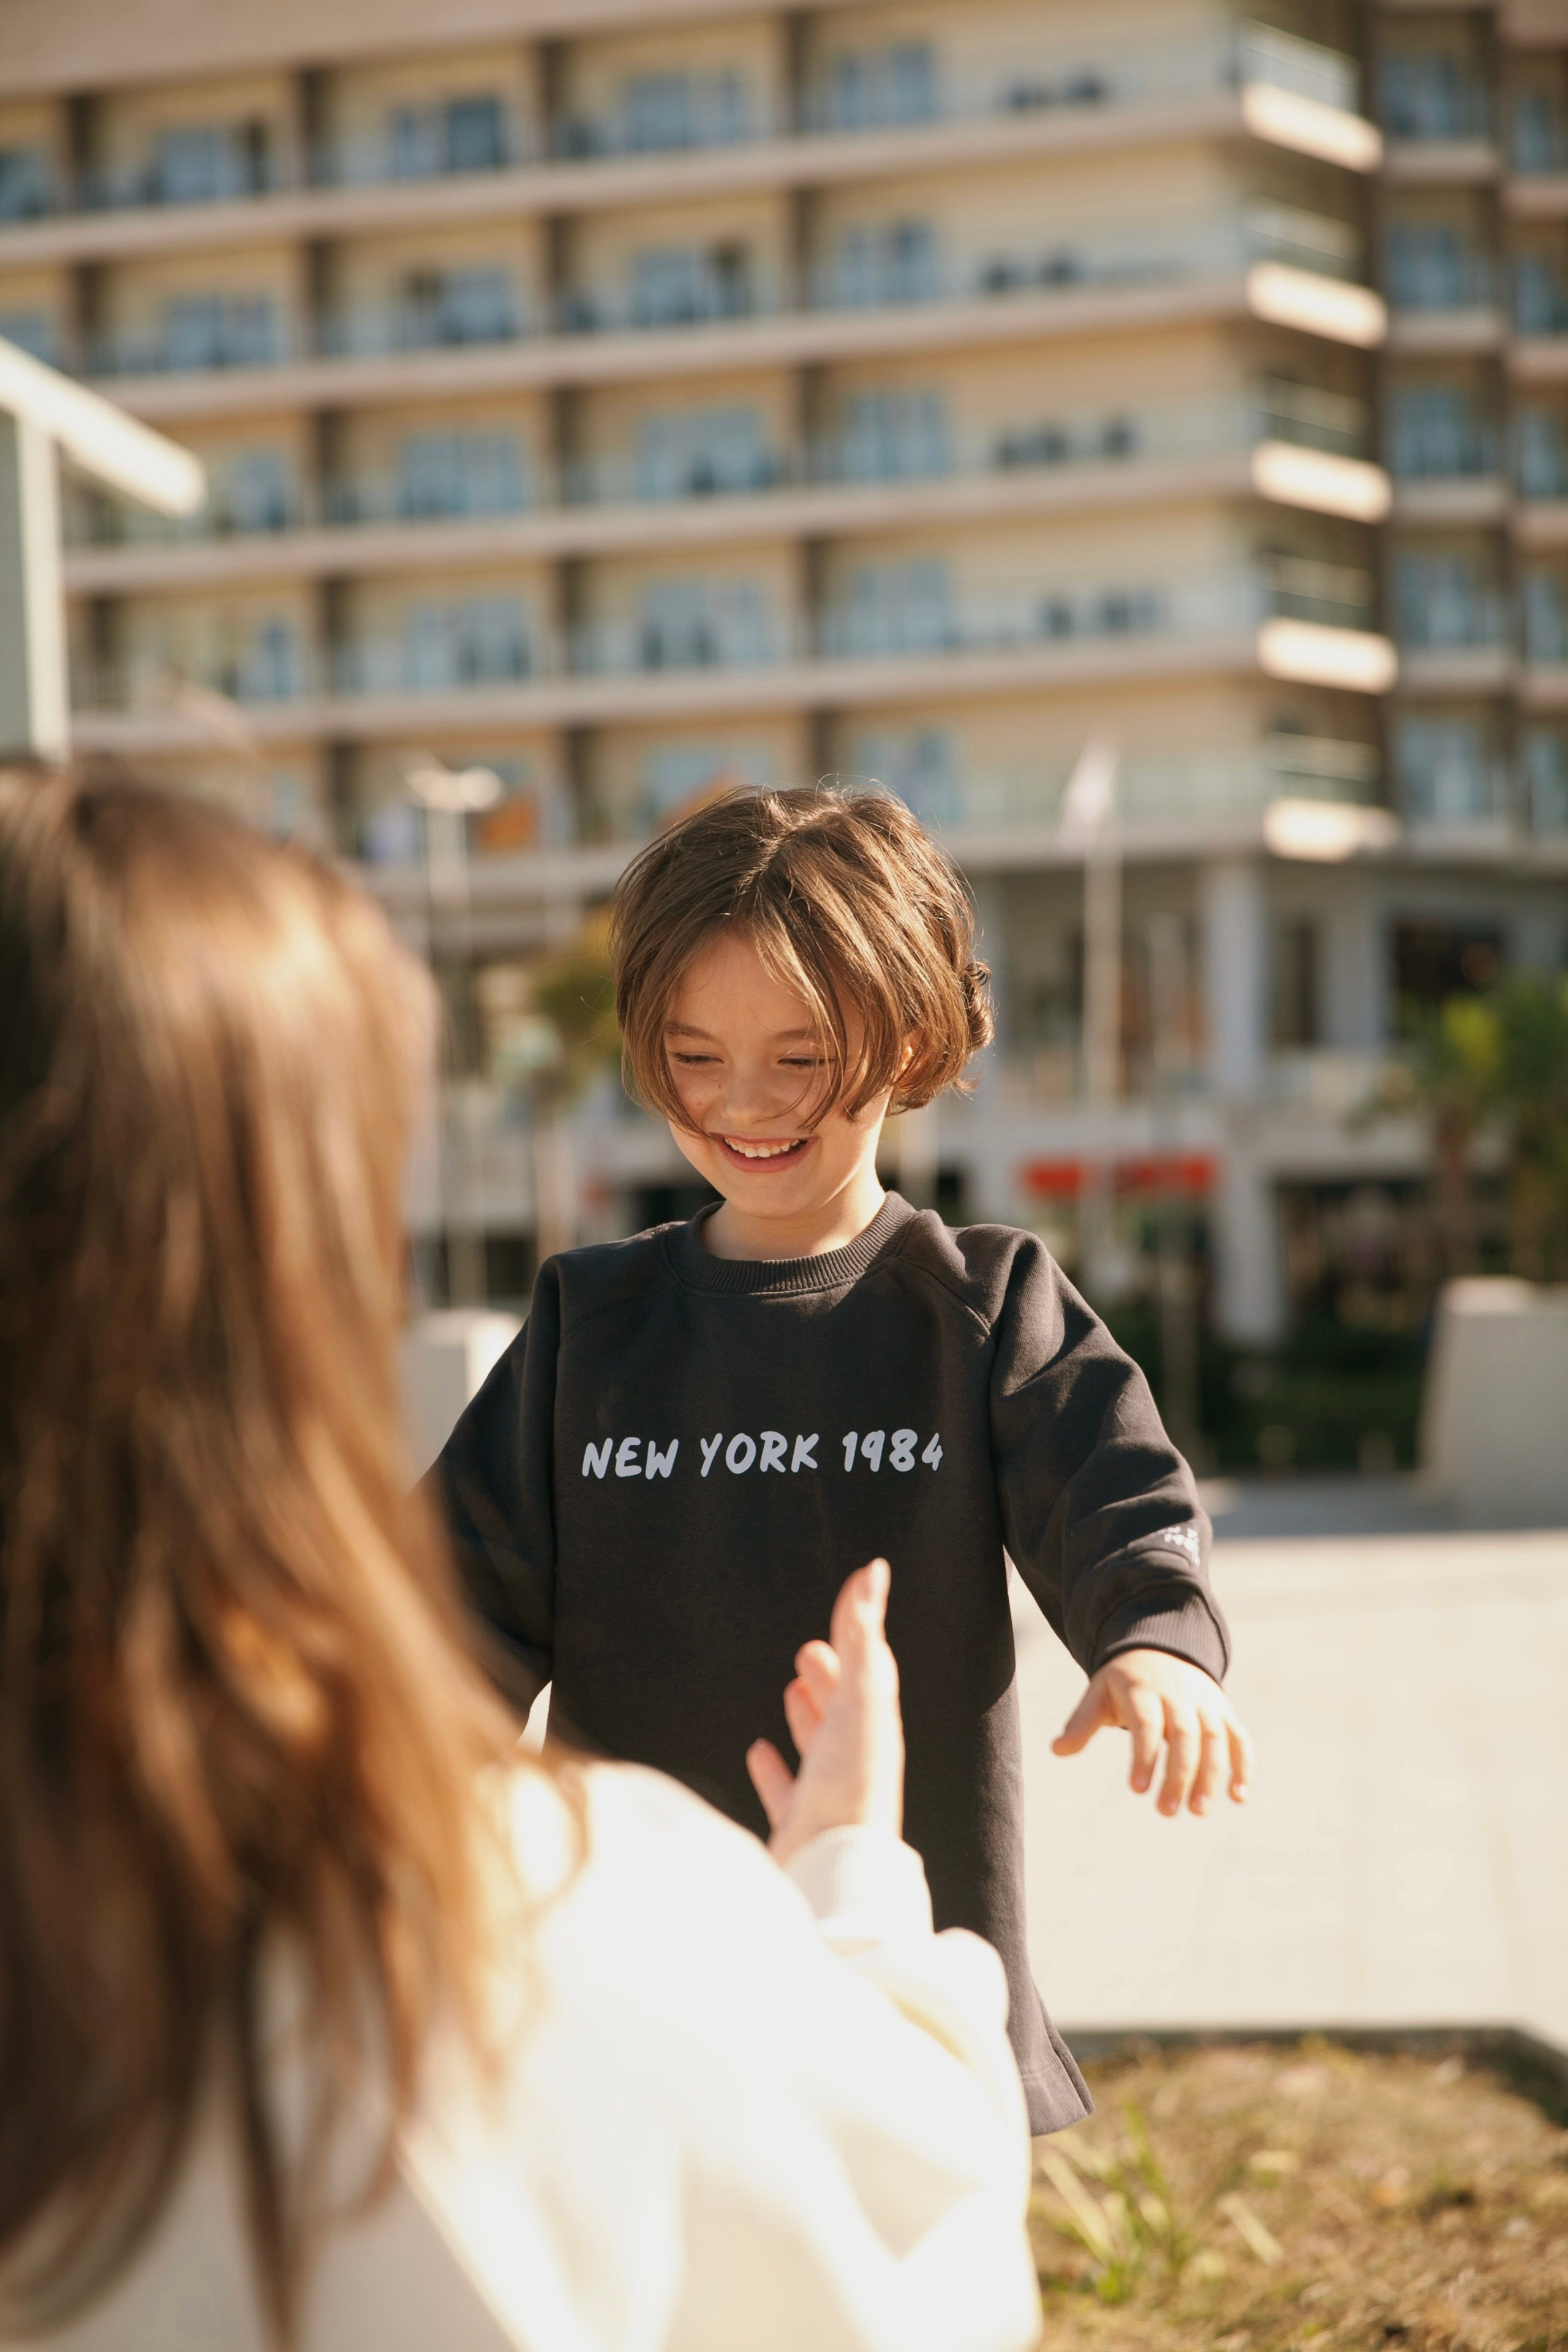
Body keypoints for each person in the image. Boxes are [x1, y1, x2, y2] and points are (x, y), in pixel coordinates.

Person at [0, 773, 1041, 2352]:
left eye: (795, 1056)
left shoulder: (979, 1303)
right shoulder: (539, 1939)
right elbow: (914, 2260)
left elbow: (452, 1615)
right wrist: (848, 1896)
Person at [435, 783, 1256, 2138]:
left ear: (912, 1037)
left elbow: (1118, 1489)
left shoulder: (982, 1306)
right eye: (694, 1057)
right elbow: (451, 1595)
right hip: (633, 1973)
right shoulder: (590, 1325)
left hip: (905, 1965)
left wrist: (1155, 1640)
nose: (742, 1102)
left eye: (799, 1057)